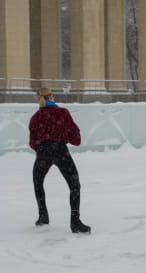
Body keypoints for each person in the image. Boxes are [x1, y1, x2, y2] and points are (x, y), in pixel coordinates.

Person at [29, 87, 91, 234]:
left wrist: (44, 148)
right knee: (74, 185)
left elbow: (32, 142)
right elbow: (76, 139)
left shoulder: (35, 117)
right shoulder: (63, 113)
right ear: (51, 96)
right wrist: (63, 137)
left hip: (43, 152)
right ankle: (75, 221)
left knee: (38, 182)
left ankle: (43, 216)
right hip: (61, 151)